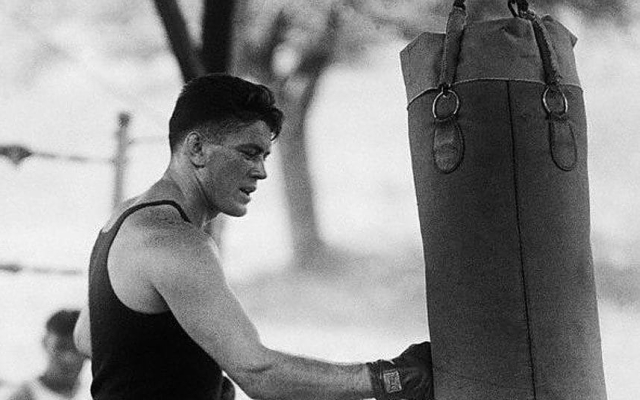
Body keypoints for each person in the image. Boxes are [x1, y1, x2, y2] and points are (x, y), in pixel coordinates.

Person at [73, 73, 434, 400]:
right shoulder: (177, 243)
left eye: (264, 156)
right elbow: (259, 373)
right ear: (196, 149)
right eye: (249, 153)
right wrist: (388, 378)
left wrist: (197, 370)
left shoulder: (124, 218)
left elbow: (87, 338)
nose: (261, 171)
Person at [8, 309, 87, 400]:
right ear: (45, 343)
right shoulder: (24, 396)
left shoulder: (96, 393)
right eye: (61, 347)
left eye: (76, 349)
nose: (68, 358)